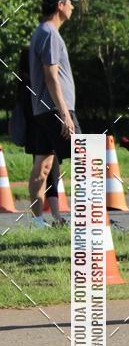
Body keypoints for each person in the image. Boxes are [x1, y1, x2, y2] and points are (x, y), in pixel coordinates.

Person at [28, 0, 81, 227]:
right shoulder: (50, 34)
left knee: (43, 164)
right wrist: (65, 114)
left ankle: (38, 221)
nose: (72, 6)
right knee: (84, 157)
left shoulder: (40, 31)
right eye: (69, 2)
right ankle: (88, 220)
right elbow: (51, 76)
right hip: (55, 110)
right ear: (60, 5)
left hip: (41, 109)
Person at [15, 48, 63, 228]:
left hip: (33, 136)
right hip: (42, 132)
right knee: (49, 174)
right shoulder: (34, 84)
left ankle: (50, 218)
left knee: (48, 174)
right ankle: (45, 219)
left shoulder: (22, 83)